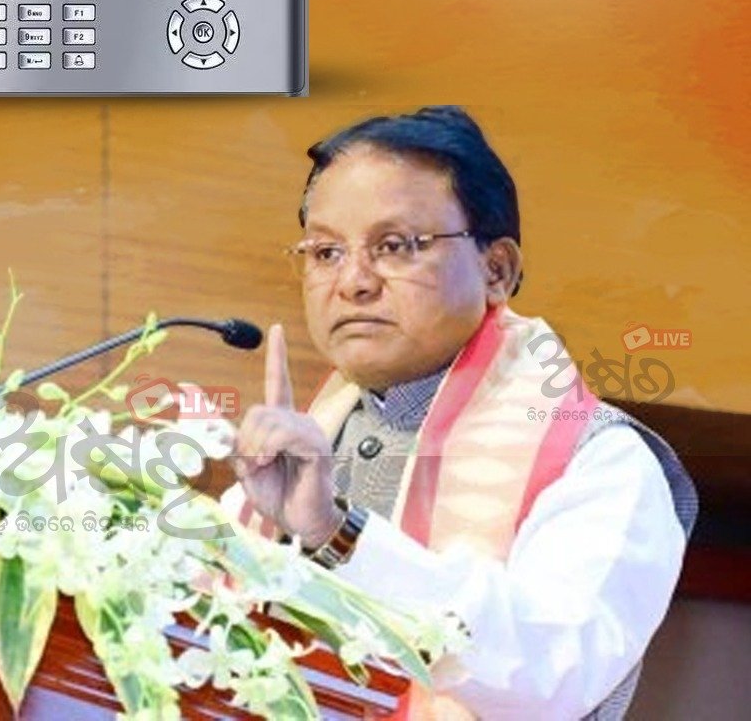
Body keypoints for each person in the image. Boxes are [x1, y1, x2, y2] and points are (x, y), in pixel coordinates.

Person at [221, 106, 696, 720]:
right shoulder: (292, 458)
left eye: (395, 246)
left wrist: (337, 535)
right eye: (326, 252)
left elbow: (553, 672)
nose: (353, 281)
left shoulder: (600, 460)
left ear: (497, 270)